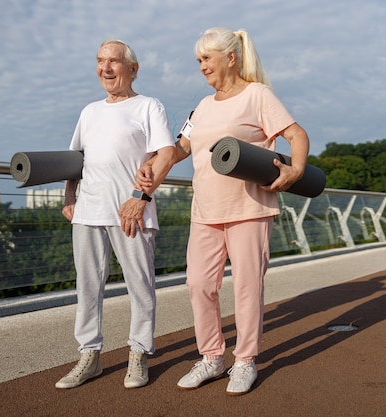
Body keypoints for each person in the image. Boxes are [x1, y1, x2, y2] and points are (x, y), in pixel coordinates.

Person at [138, 27, 310, 395]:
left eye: (207, 58)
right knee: (198, 284)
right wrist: (152, 162)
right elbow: (181, 149)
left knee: (247, 288)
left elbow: (296, 135)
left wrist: (295, 169)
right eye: (198, 60)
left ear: (230, 58)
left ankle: (245, 361)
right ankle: (212, 358)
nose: (201, 66)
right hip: (205, 210)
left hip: (249, 208)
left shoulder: (257, 95)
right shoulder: (201, 106)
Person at [55, 39, 175, 389]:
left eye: (114, 62)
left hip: (131, 213)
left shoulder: (149, 106)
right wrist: (69, 196)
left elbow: (165, 154)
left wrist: (142, 197)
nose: (106, 68)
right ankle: (88, 356)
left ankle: (138, 354)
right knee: (87, 288)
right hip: (88, 212)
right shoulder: (89, 111)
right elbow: (74, 159)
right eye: (100, 61)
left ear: (132, 69)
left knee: (140, 286)